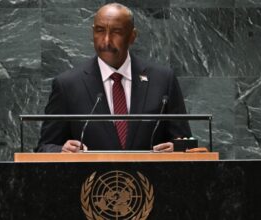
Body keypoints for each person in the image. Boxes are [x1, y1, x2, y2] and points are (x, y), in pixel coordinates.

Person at [36, 3, 191, 153]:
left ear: (132, 36)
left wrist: (177, 149)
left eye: (116, 32)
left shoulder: (163, 80)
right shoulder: (68, 85)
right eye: (100, 31)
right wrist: (61, 150)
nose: (106, 41)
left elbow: (186, 144)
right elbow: (44, 147)